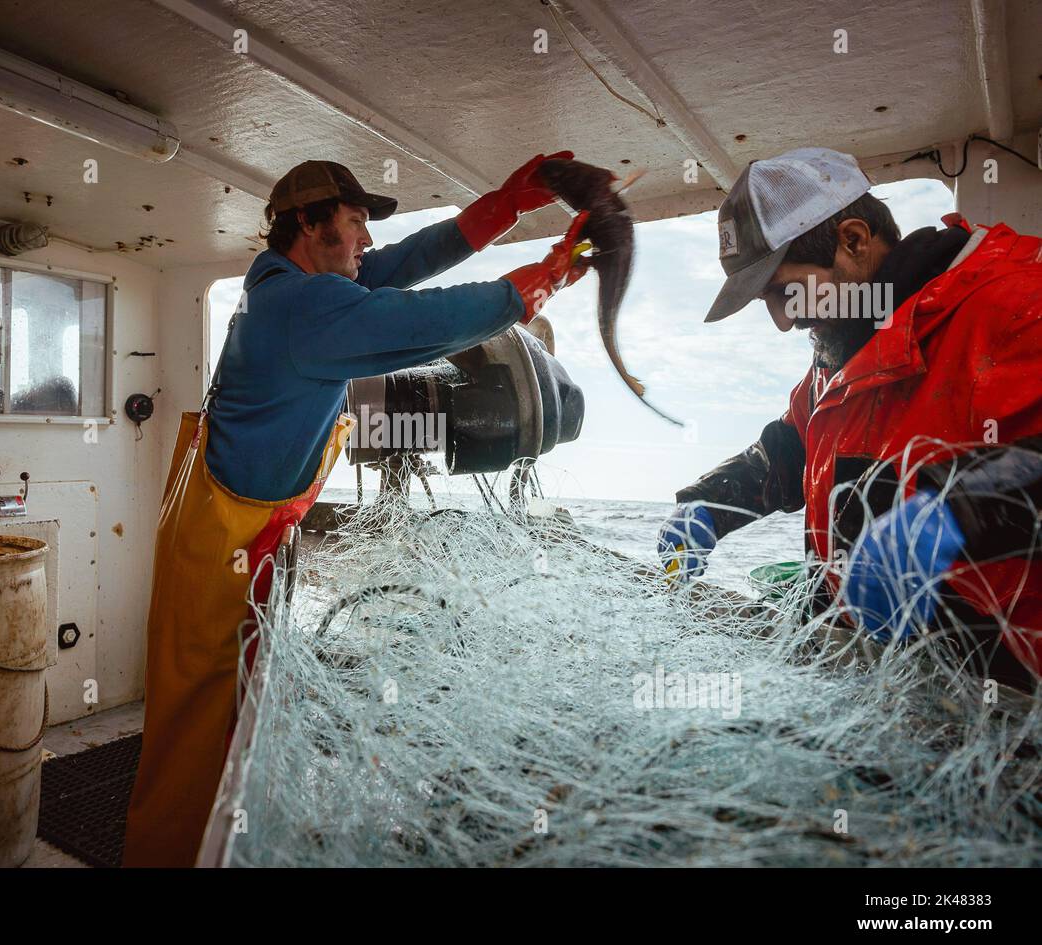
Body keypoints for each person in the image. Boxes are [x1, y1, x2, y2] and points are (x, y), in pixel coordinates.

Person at [125, 155, 590, 866]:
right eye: (353, 225)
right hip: (220, 557)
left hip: (232, 536)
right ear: (308, 225)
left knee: (234, 730)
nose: (367, 243)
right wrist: (540, 281)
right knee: (203, 739)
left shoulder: (295, 284)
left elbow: (409, 260)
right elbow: (421, 320)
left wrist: (505, 204)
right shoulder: (301, 308)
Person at [657, 147, 1042, 689]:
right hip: (874, 685)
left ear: (854, 242)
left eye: (783, 291)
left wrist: (964, 510)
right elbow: (792, 450)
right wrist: (709, 504)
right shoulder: (843, 349)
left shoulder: (1019, 301)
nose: (783, 323)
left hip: (1005, 705)